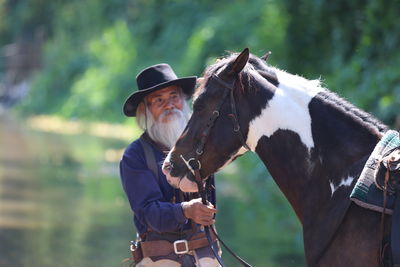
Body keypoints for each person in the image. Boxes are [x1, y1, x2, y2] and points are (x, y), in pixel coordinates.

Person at [119, 63, 220, 266]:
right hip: (159, 258)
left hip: (206, 254)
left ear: (183, 100)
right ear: (145, 110)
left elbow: (211, 203)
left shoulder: (201, 148)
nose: (169, 104)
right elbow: (148, 214)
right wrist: (185, 210)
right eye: (159, 100)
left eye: (174, 96)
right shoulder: (135, 155)